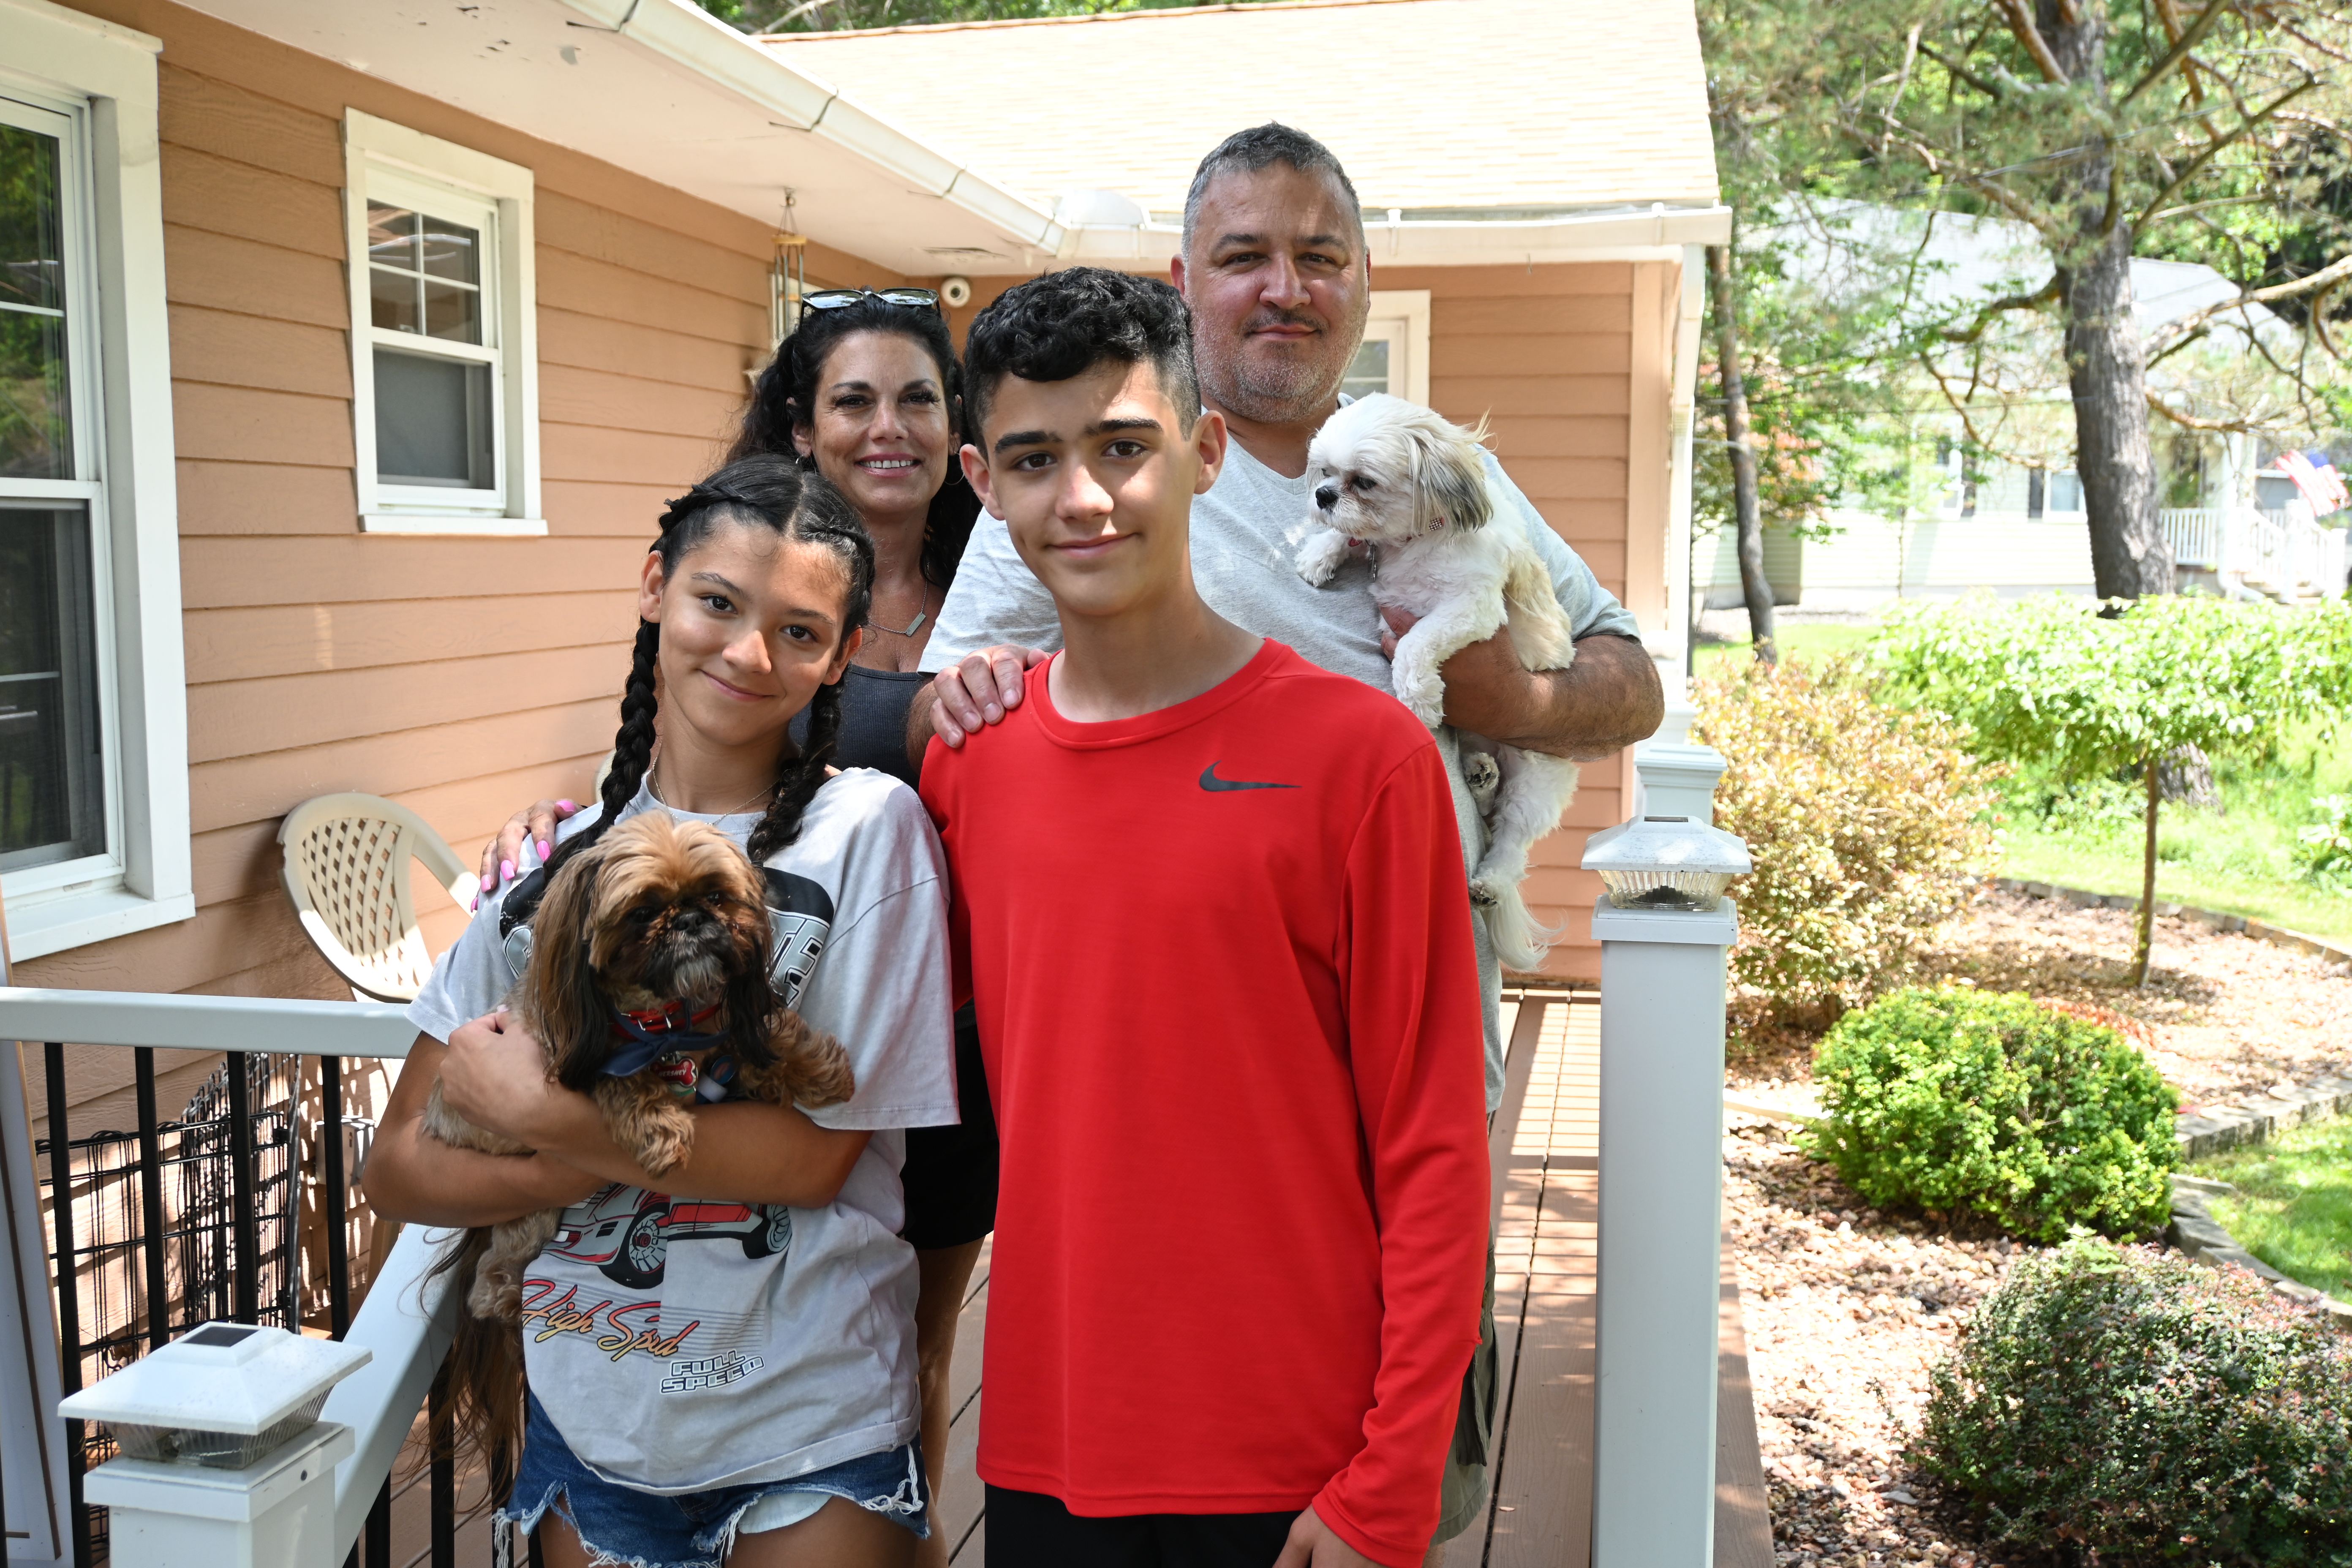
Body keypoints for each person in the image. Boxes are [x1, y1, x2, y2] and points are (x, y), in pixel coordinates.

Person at [912, 124, 1664, 1551]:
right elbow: (936, 734)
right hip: (1073, 1389)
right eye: (1244, 256)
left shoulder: (1431, 482)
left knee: (1406, 1473)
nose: (1285, 288)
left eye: (1321, 257)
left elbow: (1629, 676)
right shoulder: (1001, 741)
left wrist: (1500, 688)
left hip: (1354, 1176)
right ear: (1184, 277)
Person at [924, 264, 1488, 1568]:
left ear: (1209, 451)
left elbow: (1435, 1143)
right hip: (1048, 1448)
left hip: (1297, 1464)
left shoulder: (1363, 759)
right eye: (1032, 458)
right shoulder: (974, 762)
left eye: (1125, 447)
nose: (1081, 497)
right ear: (981, 482)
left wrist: (1388, 1484)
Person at [479, 291, 997, 1565]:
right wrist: (561, 852)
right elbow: (675, 760)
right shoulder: (764, 584)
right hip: (732, 1006)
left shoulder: (1009, 586)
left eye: (920, 398)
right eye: (855, 401)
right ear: (803, 426)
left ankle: (876, 1522)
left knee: (908, 1342)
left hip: (928, 1021)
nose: (890, 428)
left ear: (958, 429)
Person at [366, 456, 959, 1568]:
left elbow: (809, 1161)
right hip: (595, 1413)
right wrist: (553, 1166)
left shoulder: (870, 832)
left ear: (838, 656)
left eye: (798, 629)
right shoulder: (553, 868)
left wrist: (543, 1117)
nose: (746, 652)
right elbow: (398, 1167)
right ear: (655, 589)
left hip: (812, 1411)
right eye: (718, 603)